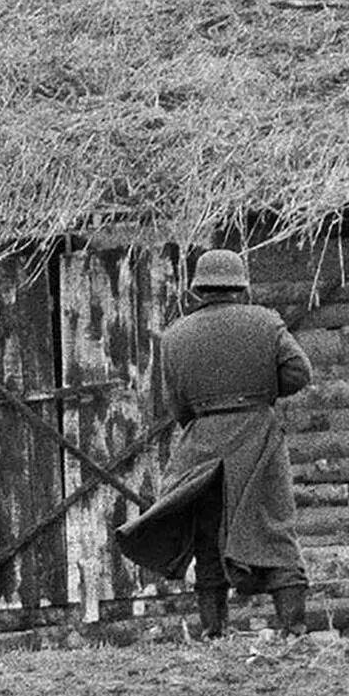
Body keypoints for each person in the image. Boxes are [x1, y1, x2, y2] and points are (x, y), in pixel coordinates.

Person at [115, 249, 313, 639]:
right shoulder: (265, 322)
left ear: (199, 289)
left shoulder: (175, 336)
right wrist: (260, 396)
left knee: (207, 536)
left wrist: (209, 419)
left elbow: (178, 405)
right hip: (258, 441)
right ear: (239, 285)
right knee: (275, 528)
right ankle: (295, 630)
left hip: (202, 448)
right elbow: (298, 374)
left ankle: (214, 632)